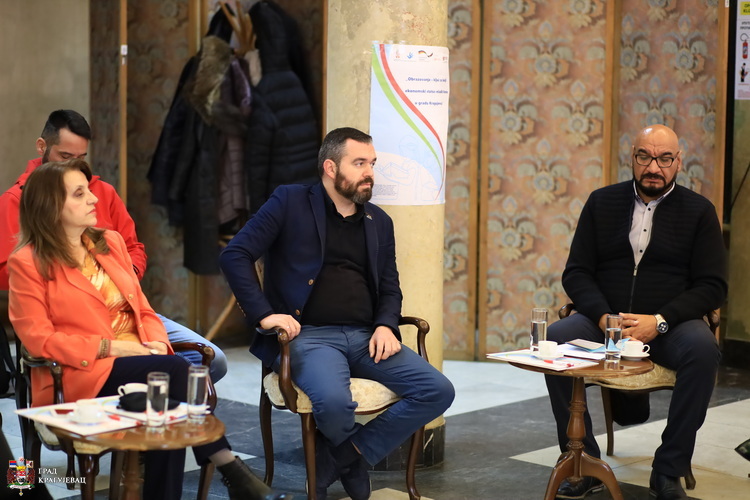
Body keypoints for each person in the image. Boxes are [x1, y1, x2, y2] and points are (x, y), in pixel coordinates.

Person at [7, 160, 289, 500]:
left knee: (166, 408)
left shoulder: (109, 242)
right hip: (79, 373)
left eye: (89, 190)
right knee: (174, 373)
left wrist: (155, 342)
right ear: (50, 206)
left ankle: (221, 480)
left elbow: (143, 308)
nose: (93, 199)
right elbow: (39, 340)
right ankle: (231, 470)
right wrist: (116, 348)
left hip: (139, 360)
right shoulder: (27, 262)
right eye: (79, 194)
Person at [220, 127, 455, 500]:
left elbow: (390, 287)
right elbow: (236, 254)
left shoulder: (379, 221)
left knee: (437, 390)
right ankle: (350, 463)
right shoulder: (289, 202)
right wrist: (265, 315)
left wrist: (385, 325)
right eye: (359, 163)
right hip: (308, 336)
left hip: (366, 337)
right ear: (330, 168)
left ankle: (344, 457)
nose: (369, 172)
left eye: (372, 163)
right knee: (333, 402)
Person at [545, 124, 727, 500]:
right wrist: (603, 318)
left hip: (669, 326)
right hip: (605, 323)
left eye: (664, 159)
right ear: (633, 157)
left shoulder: (699, 211)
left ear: (678, 162)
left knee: (703, 350)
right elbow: (576, 272)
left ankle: (668, 469)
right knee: (557, 339)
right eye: (645, 156)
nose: (653, 167)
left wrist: (658, 321)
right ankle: (583, 462)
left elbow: (712, 286)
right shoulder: (602, 202)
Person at [0, 109, 227, 382]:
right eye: (65, 157)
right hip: (78, 323)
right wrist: (69, 281)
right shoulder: (18, 201)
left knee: (212, 361)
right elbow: (10, 276)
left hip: (127, 310)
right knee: (175, 373)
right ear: (42, 147)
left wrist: (120, 278)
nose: (91, 198)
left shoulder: (104, 202)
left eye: (81, 158)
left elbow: (135, 251)